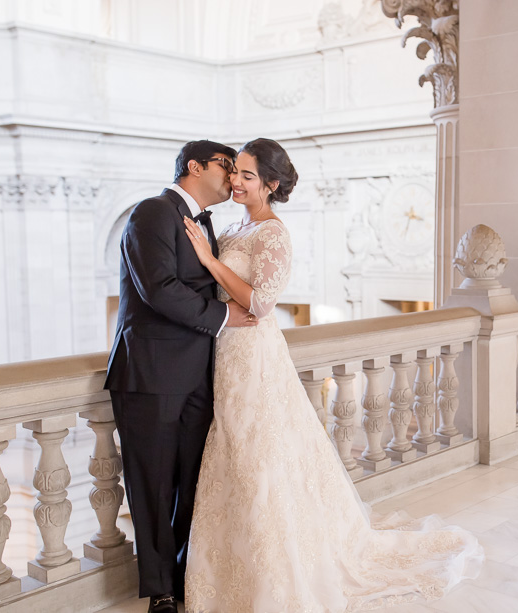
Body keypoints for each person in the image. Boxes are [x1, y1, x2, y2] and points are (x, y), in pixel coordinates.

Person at [181, 138, 483, 612]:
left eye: (247, 176)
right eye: (235, 171)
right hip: (224, 351)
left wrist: (210, 261)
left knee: (257, 452)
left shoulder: (273, 233)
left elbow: (262, 302)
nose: (235, 181)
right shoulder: (236, 226)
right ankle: (232, 565)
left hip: (253, 354)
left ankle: (275, 571)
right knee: (234, 452)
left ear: (271, 185)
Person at [104, 140, 260, 613]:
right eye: (225, 165)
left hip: (199, 373)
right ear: (194, 166)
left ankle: (187, 574)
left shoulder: (207, 223)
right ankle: (161, 592)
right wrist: (224, 316)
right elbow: (159, 288)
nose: (232, 176)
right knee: (152, 487)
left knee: (195, 482)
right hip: (150, 373)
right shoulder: (151, 212)